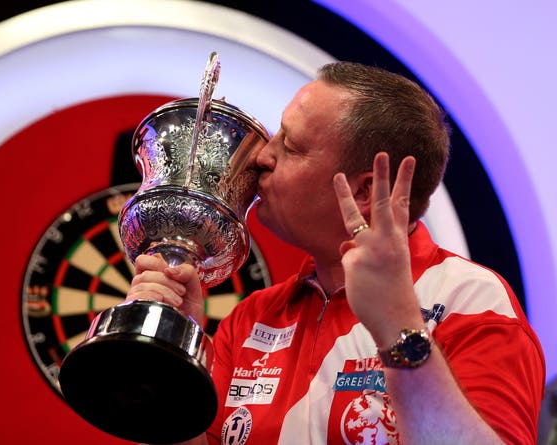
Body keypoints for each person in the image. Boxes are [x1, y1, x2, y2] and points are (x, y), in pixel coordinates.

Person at [127, 61, 545, 444]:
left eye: (291, 146)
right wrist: (171, 357)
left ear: (363, 190)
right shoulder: (254, 317)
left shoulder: (468, 301)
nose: (261, 156)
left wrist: (397, 326)